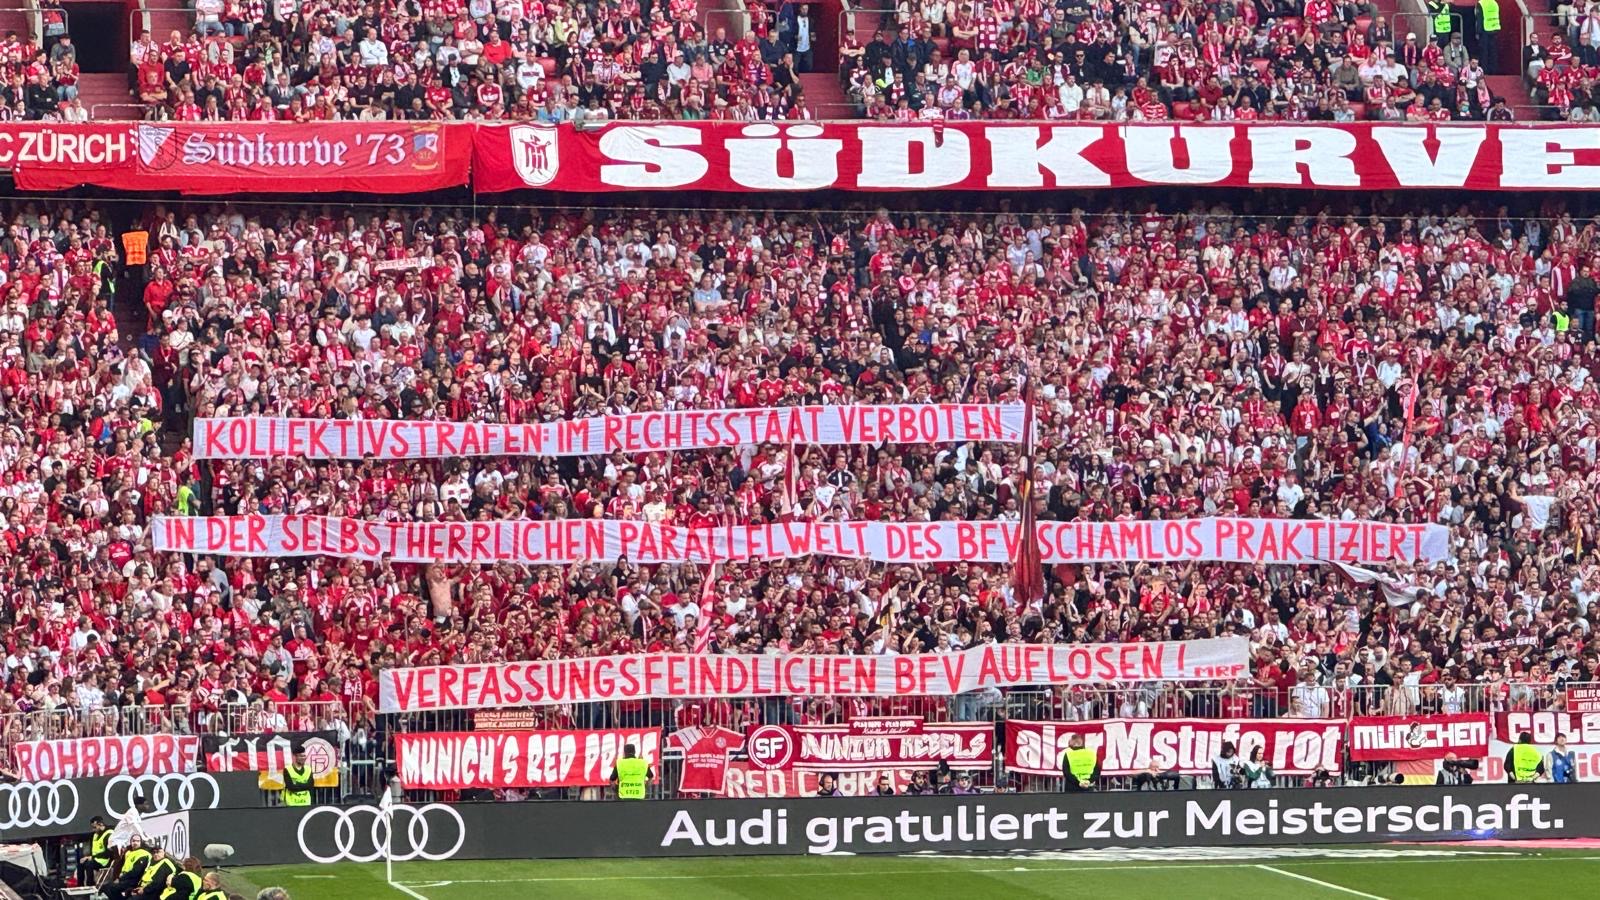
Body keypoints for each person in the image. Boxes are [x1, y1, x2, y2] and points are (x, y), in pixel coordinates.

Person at [78, 816, 113, 887]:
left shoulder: (109, 834)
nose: (93, 830)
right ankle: (80, 885)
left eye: (95, 827)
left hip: (104, 861)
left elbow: (108, 853)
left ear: (100, 824)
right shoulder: (95, 835)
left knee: (89, 864)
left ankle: (90, 885)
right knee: (81, 863)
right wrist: (88, 857)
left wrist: (92, 857)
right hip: (95, 859)